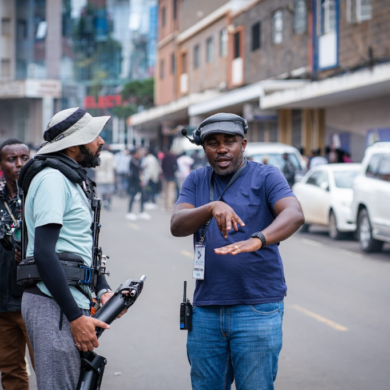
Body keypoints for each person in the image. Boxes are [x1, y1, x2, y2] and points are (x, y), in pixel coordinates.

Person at [170, 113, 304, 390]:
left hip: (257, 308)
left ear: (243, 144)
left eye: (229, 141)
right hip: (206, 308)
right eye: (213, 143)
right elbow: (177, 225)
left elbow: (294, 214)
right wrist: (210, 207)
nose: (221, 149)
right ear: (203, 148)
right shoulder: (196, 180)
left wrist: (259, 239)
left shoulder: (267, 176)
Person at [20, 107, 128, 390]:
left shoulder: (72, 179)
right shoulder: (52, 180)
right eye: (94, 136)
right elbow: (44, 252)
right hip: (52, 303)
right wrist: (76, 317)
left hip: (67, 299)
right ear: (74, 144)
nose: (101, 141)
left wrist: (103, 288)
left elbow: (80, 243)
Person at [0, 139, 34, 390]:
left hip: (34, 300)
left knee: (45, 367)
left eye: (24, 157)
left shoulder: (38, 194)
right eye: (12, 159)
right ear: (1, 164)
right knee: (11, 371)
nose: (20, 164)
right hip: (2, 302)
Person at [126, 148, 151, 221]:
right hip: (134, 182)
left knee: (143, 195)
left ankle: (142, 212)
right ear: (134, 154)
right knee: (132, 196)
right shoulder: (132, 161)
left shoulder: (137, 161)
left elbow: (139, 170)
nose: (139, 154)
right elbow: (134, 174)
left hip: (138, 181)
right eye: (137, 153)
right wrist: (140, 181)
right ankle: (129, 212)